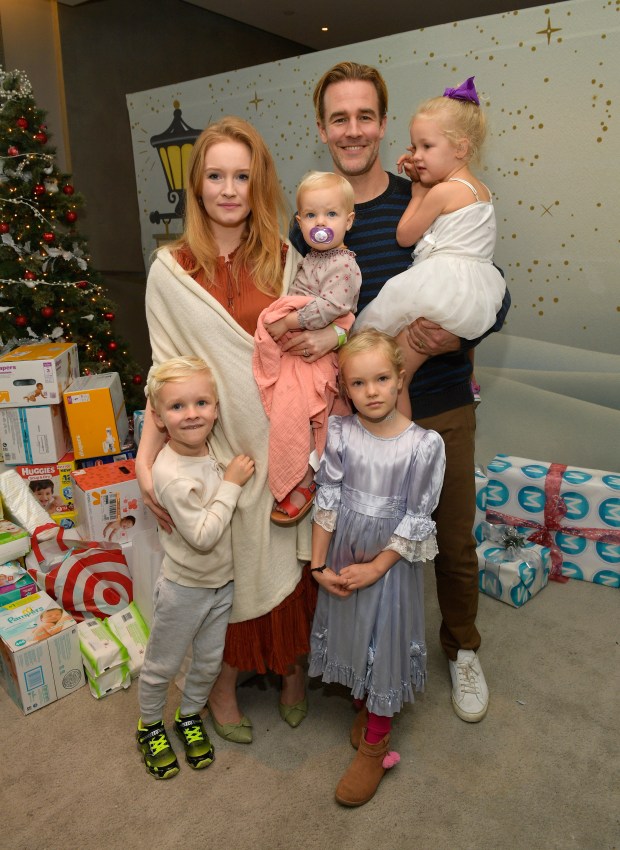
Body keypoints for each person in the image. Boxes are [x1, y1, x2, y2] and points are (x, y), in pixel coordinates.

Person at [290, 61, 512, 723]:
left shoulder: (432, 189)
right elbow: (300, 307)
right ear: (324, 128)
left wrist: (453, 338)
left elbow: (488, 289)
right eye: (339, 118)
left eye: (365, 116)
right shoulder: (312, 212)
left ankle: (462, 647)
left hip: (440, 397)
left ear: (383, 124)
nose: (353, 130)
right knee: (365, 543)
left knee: (452, 540)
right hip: (358, 419)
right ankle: (366, 658)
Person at [136, 116, 316, 745]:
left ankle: (293, 673)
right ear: (197, 184)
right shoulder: (170, 269)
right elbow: (165, 376)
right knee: (227, 568)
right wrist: (143, 464)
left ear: (259, 182)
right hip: (215, 452)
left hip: (284, 443)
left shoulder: (290, 259)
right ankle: (221, 686)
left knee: (289, 562)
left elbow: (309, 356)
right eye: (216, 175)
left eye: (242, 175)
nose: (229, 188)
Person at [309, 329, 445, 806]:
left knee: (383, 641)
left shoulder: (423, 445)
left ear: (399, 378)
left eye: (382, 379)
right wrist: (319, 564)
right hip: (345, 553)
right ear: (346, 389)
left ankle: (376, 744)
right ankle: (364, 704)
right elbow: (327, 498)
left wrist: (378, 568)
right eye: (359, 383)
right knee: (353, 630)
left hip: (390, 560)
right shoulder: (341, 432)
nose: (371, 392)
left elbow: (415, 518)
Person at [355, 77, 506, 418]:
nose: (416, 156)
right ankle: (471, 386)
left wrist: (418, 189)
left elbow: (405, 235)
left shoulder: (440, 192)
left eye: (426, 147)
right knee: (391, 369)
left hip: (441, 287)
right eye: (414, 147)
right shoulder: (481, 190)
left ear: (461, 149)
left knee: (395, 377)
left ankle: (399, 444)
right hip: (475, 291)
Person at [136, 356, 254, 780]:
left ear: (217, 408)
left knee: (208, 662)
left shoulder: (212, 449)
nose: (192, 415)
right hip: (185, 587)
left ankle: (189, 716)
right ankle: (149, 726)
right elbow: (203, 536)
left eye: (202, 402)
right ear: (159, 418)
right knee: (163, 664)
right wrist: (232, 485)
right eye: (177, 407)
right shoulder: (169, 473)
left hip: (221, 585)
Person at [253, 170, 361, 525]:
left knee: (303, 407)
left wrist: (287, 322)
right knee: (285, 397)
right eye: (311, 215)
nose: (321, 223)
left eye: (331, 215)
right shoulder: (307, 259)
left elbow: (332, 307)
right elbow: (294, 296)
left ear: (348, 220)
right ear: (299, 222)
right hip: (302, 343)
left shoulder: (344, 263)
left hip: (326, 347)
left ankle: (306, 478)